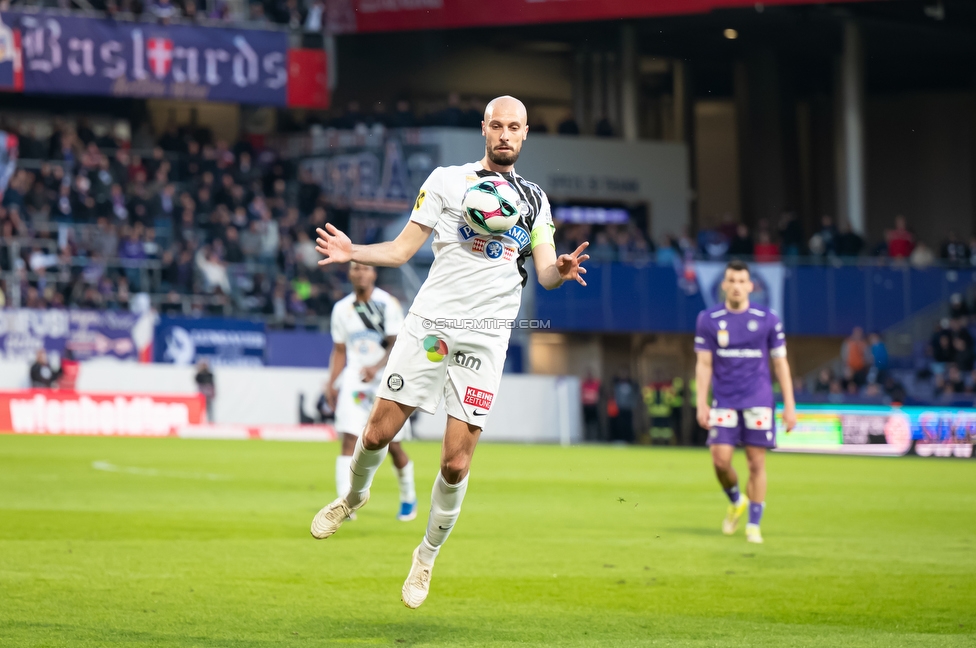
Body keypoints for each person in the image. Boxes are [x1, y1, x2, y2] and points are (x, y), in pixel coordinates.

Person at [309, 95, 588, 608]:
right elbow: (400, 250)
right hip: (432, 326)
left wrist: (560, 270)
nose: (505, 135)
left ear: (525, 135)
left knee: (456, 464)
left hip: (486, 335)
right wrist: (353, 251)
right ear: (484, 129)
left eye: (515, 128)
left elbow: (545, 273)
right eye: (497, 125)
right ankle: (353, 497)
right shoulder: (445, 180)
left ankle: (426, 557)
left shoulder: (535, 201)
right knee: (375, 432)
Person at [694, 260, 797, 544]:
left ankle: (753, 525)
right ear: (724, 285)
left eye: (742, 281)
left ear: (751, 286)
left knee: (755, 463)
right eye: (732, 280)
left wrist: (789, 405)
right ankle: (736, 499)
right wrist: (702, 403)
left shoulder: (768, 319)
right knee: (720, 461)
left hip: (758, 401)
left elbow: (781, 363)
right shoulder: (708, 319)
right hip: (724, 401)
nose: (737, 286)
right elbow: (703, 364)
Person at [326, 261, 417, 522]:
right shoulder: (341, 309)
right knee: (348, 440)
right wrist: (332, 383)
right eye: (355, 268)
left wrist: (376, 366)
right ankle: (345, 504)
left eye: (365, 268)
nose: (360, 273)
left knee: (393, 445)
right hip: (355, 381)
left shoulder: (388, 304)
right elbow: (340, 350)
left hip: (386, 380)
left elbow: (396, 343)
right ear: (350, 273)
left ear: (374, 273)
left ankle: (408, 498)